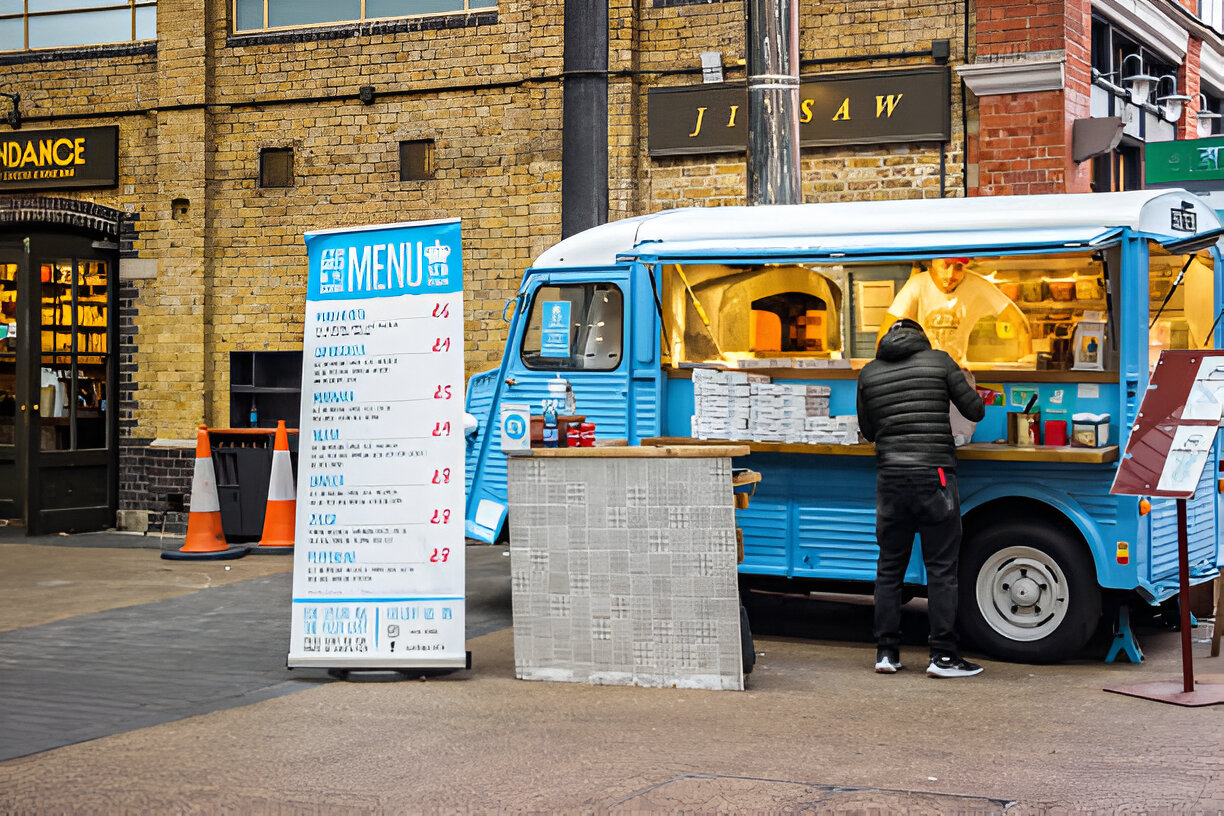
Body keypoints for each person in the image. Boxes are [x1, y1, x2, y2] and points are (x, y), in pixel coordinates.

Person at [856, 318, 986, 678]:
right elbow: (975, 410)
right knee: (942, 569)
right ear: (921, 339)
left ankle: (886, 653)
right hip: (935, 477)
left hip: (891, 479)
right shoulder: (940, 361)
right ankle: (943, 657)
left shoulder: (869, 373)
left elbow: (868, 430)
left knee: (889, 567)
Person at [878, 258, 1030, 366]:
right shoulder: (916, 285)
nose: (951, 275)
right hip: (923, 371)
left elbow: (1018, 321)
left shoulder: (976, 285)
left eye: (958, 267)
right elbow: (886, 332)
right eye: (946, 266)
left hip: (958, 371)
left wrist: (1027, 361)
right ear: (932, 263)